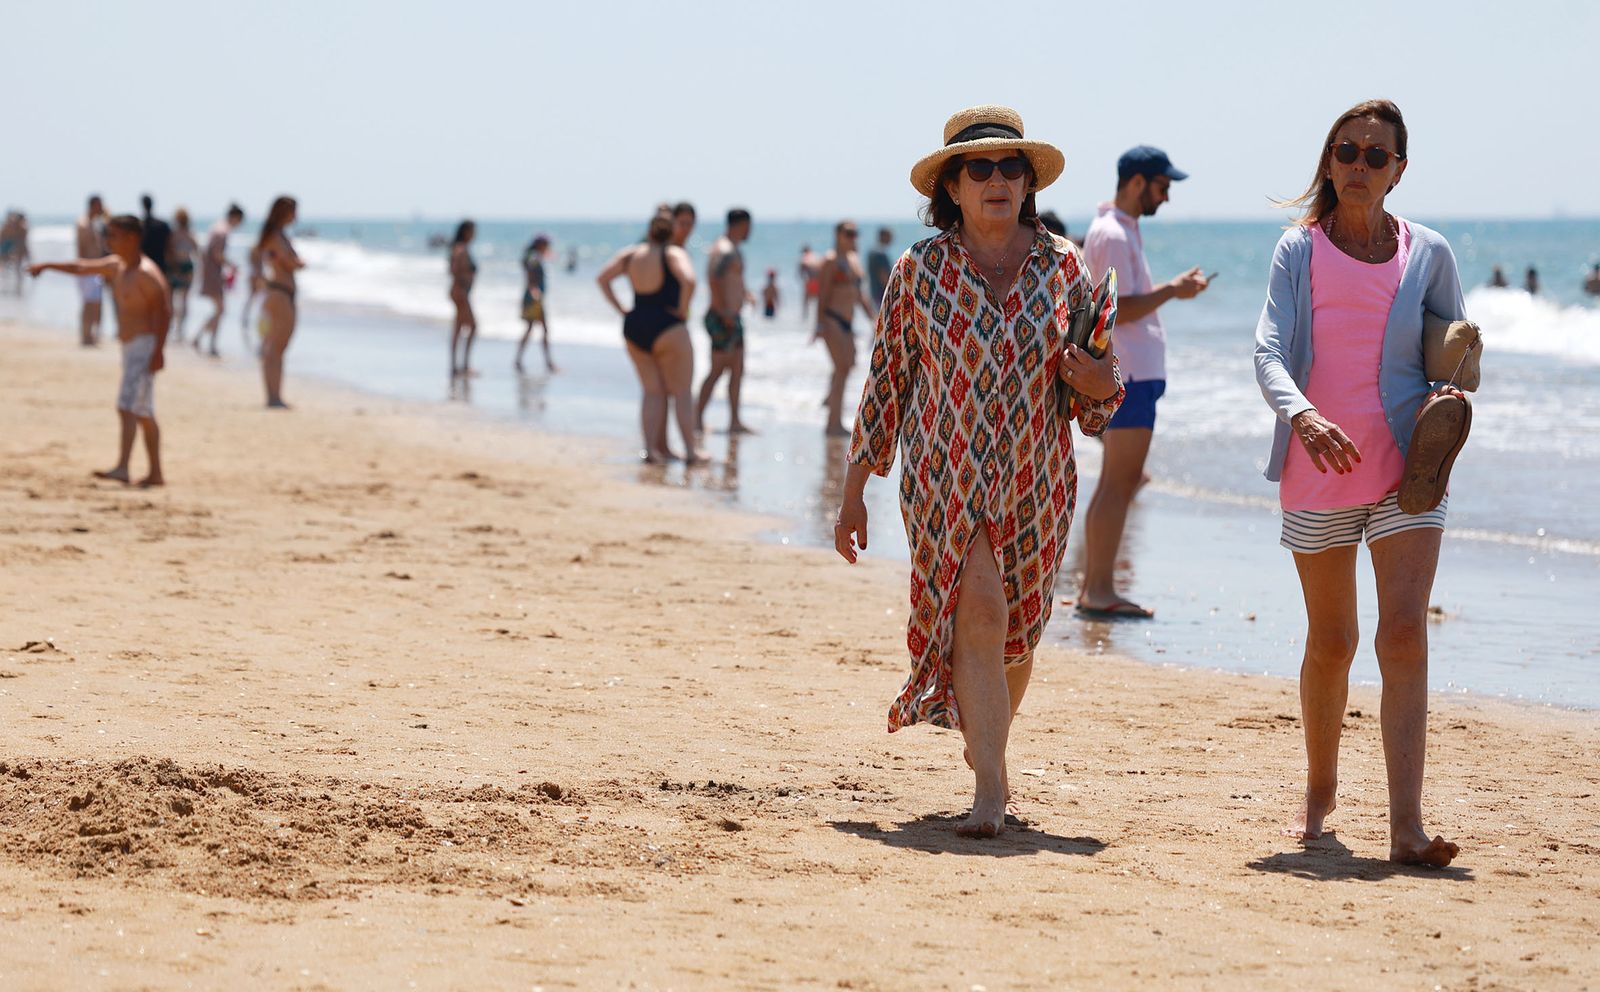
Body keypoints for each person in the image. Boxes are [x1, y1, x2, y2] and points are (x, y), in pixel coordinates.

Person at [835, 106, 1123, 838]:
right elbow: (886, 383)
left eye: (1010, 167)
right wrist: (852, 496)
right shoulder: (918, 271)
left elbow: (1095, 394)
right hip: (944, 478)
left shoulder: (1066, 268)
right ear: (952, 188)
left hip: (1038, 480)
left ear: (1028, 182)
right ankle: (992, 787)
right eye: (979, 168)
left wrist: (1099, 388)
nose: (997, 180)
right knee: (983, 611)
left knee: (1017, 637)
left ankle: (985, 738)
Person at [1253, 99, 1466, 868]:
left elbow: (1457, 356)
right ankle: (1319, 789)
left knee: (1403, 633)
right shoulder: (1298, 251)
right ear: (1330, 159)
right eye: (1347, 151)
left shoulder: (1428, 251)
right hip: (1317, 467)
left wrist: (1452, 402)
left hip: (1409, 474)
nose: (1360, 166)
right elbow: (1269, 350)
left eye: (1377, 156)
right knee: (1333, 640)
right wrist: (1304, 418)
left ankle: (1405, 825)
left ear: (1398, 170)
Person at [1076, 145, 1210, 618]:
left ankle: (1095, 586)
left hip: (1132, 371)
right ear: (1137, 182)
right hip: (1127, 372)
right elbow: (1118, 309)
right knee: (1119, 482)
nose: (1167, 197)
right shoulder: (1111, 232)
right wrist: (1173, 290)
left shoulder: (1119, 229)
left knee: (1117, 481)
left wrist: (1173, 290)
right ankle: (1098, 591)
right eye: (1162, 186)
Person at [30, 214, 171, 486]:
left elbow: (164, 313)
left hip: (144, 345)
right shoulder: (117, 266)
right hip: (130, 346)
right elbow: (82, 267)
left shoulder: (147, 273)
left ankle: (123, 467)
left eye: (113, 235)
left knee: (127, 406)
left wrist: (158, 352)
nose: (107, 241)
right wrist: (47, 265)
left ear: (132, 238)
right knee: (142, 411)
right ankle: (156, 473)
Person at [596, 211, 705, 465]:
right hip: (668, 325)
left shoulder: (631, 254)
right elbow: (689, 280)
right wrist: (682, 308)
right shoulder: (673, 253)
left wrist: (621, 309)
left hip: (635, 324)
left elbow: (602, 279)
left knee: (651, 392)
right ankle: (690, 451)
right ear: (672, 231)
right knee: (681, 392)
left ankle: (649, 450)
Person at [695, 207, 756, 434]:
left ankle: (735, 421)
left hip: (733, 317)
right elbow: (713, 279)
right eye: (749, 226)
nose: (751, 231)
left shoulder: (734, 250)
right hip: (722, 318)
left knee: (738, 368)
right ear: (740, 224)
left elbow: (733, 279)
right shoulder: (724, 249)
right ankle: (696, 418)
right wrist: (724, 313)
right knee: (717, 370)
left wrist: (746, 294)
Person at [815, 221, 878, 437]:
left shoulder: (853, 260)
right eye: (848, 233)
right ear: (838, 234)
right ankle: (833, 423)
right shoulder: (831, 260)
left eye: (855, 234)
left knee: (847, 365)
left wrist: (873, 317)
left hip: (848, 322)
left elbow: (860, 294)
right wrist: (819, 323)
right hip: (832, 319)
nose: (852, 238)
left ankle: (830, 405)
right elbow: (822, 294)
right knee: (841, 367)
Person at [256, 195, 303, 409]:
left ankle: (275, 395)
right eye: (293, 210)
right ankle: (272, 397)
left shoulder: (276, 236)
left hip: (280, 293)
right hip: (280, 293)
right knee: (274, 348)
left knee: (277, 347)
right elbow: (289, 263)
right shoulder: (275, 236)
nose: (296, 215)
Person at [195, 204, 243, 356]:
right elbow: (217, 254)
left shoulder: (216, 228)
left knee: (219, 310)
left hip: (211, 273)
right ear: (235, 217)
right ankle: (209, 343)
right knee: (220, 310)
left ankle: (201, 338)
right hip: (213, 275)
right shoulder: (222, 231)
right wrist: (231, 265)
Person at [515, 233, 556, 373]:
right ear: (540, 245)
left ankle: (519, 360)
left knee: (533, 328)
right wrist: (534, 290)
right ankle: (548, 363)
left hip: (534, 297)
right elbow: (530, 273)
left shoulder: (533, 255)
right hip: (534, 298)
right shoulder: (534, 256)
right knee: (542, 329)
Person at [75, 194, 108, 346]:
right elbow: (81, 249)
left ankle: (91, 334)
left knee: (96, 303)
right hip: (87, 269)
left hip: (95, 269)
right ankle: (86, 334)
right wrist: (83, 269)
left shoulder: (96, 223)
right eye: (100, 205)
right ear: (94, 205)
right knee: (89, 303)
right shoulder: (83, 224)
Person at [447, 220, 478, 377]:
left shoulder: (460, 247)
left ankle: (456, 366)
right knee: (473, 327)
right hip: (460, 292)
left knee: (458, 328)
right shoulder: (460, 248)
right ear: (466, 231)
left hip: (459, 291)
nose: (475, 234)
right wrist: (462, 282)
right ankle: (464, 365)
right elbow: (452, 269)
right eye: (473, 231)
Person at [167, 208, 198, 341]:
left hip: (176, 266)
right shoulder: (190, 234)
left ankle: (174, 327)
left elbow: (169, 251)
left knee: (173, 299)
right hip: (186, 266)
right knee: (183, 300)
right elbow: (196, 251)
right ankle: (180, 328)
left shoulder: (174, 234)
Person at [139, 194, 172, 277]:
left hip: (144, 265)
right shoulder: (163, 225)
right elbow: (169, 246)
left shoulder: (140, 226)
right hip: (160, 263)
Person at [867, 226, 894, 306]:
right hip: (882, 293)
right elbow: (883, 276)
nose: (891, 239)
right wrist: (891, 291)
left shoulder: (872, 252)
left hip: (874, 291)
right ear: (883, 236)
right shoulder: (880, 253)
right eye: (889, 236)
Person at [798, 244, 820, 318]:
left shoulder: (804, 257)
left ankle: (805, 319)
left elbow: (801, 271)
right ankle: (819, 319)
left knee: (806, 302)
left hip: (810, 281)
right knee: (819, 301)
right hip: (818, 281)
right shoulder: (816, 256)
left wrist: (803, 278)